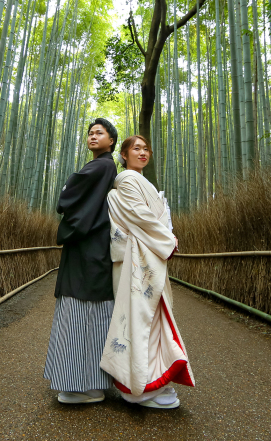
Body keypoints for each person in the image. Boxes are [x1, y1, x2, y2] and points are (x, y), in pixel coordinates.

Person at [100, 135, 195, 409]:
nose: (142, 153)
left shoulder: (139, 182)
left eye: (146, 149)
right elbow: (142, 217)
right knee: (140, 320)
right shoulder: (127, 180)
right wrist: (169, 240)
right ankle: (138, 387)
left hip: (144, 256)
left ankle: (148, 380)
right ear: (124, 155)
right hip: (136, 260)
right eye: (136, 149)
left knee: (149, 320)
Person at [44, 118, 119, 404]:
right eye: (89, 133)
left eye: (99, 133)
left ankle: (83, 385)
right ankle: (92, 382)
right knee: (94, 312)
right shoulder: (105, 167)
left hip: (89, 247)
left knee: (82, 308)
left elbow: (67, 198)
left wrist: (65, 193)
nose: (92, 136)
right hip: (93, 246)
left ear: (111, 141)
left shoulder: (102, 165)